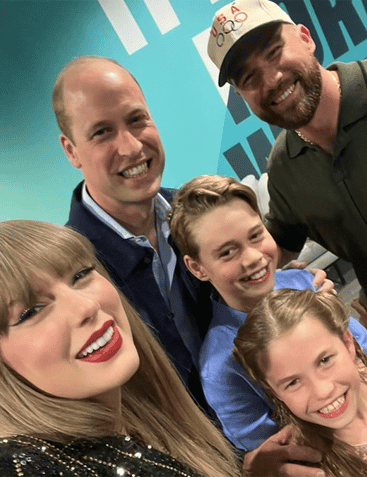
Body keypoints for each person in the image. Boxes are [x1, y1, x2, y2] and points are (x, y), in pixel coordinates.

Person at [51, 55, 331, 416]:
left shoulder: (199, 215)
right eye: (102, 132)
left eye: (137, 120)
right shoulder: (68, 273)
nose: (132, 147)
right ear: (71, 150)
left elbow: (251, 301)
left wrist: (295, 291)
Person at [0, 220, 328, 477]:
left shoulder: (142, 420)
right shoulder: (18, 464)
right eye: (30, 311)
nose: (85, 307)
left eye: (81, 275)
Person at [206, 0, 367, 352]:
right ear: (243, 96)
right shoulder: (284, 169)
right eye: (249, 78)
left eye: (275, 52)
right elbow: (275, 249)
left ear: (305, 38)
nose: (272, 79)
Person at [169, 174, 367, 452]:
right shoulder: (220, 366)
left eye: (256, 236)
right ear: (197, 267)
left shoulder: (304, 282)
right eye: (227, 252)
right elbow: (272, 453)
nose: (254, 258)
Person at [234, 289, 367, 476]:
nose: (322, 391)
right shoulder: (302, 466)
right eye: (292, 383)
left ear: (348, 343)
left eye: (325, 361)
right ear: (274, 392)